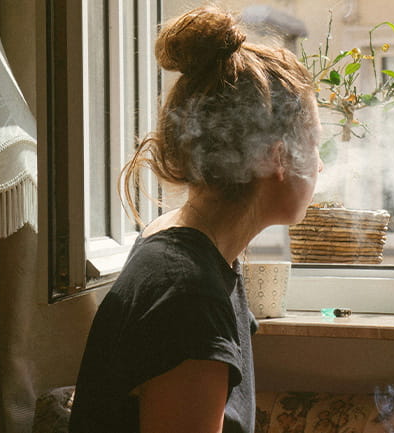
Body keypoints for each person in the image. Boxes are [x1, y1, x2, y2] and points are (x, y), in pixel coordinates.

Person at [69, 5, 323, 433]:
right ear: (277, 156)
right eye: (316, 146)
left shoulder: (187, 245)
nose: (320, 167)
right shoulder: (191, 299)